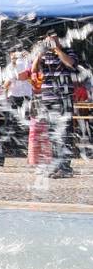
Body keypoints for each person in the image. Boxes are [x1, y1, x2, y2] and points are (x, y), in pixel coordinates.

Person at [32, 32, 83, 178]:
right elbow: (34, 70)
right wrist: (39, 54)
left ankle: (65, 167)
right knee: (52, 134)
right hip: (48, 98)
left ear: (59, 39)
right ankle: (55, 165)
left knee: (64, 133)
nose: (50, 42)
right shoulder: (45, 54)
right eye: (49, 39)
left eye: (53, 39)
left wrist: (57, 49)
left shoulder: (68, 51)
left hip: (63, 98)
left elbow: (71, 64)